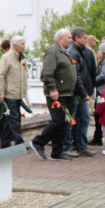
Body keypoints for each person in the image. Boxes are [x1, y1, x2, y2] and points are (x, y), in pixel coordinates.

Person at [30, 28, 77, 161]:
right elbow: (46, 73)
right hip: (57, 93)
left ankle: (57, 152)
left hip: (66, 93)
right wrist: (52, 89)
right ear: (60, 38)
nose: (71, 40)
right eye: (69, 37)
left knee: (63, 122)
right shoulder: (53, 51)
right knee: (58, 120)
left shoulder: (65, 52)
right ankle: (38, 142)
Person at [65, 27, 96, 157]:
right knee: (71, 119)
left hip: (83, 91)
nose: (87, 40)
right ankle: (67, 146)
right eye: (84, 38)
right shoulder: (72, 52)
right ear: (76, 38)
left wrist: (90, 89)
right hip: (75, 92)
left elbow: (91, 71)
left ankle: (81, 145)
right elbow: (76, 75)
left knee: (84, 117)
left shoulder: (86, 52)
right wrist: (83, 92)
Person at [0, 35, 28, 149]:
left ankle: (5, 143)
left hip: (18, 93)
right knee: (14, 118)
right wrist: (0, 92)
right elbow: (0, 75)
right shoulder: (6, 58)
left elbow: (24, 74)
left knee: (9, 118)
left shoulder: (22, 57)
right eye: (22, 44)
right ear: (15, 45)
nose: (24, 46)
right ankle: (19, 142)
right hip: (10, 93)